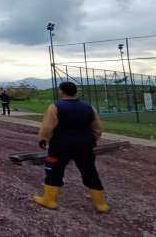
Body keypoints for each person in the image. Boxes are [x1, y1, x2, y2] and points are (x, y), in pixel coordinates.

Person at [33, 81, 109, 213]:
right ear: (75, 92)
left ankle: (49, 200)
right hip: (84, 145)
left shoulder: (55, 106)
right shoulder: (89, 107)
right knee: (90, 172)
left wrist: (43, 138)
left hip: (60, 146)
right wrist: (92, 140)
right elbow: (97, 128)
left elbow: (48, 127)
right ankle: (101, 204)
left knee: (54, 171)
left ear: (61, 91)